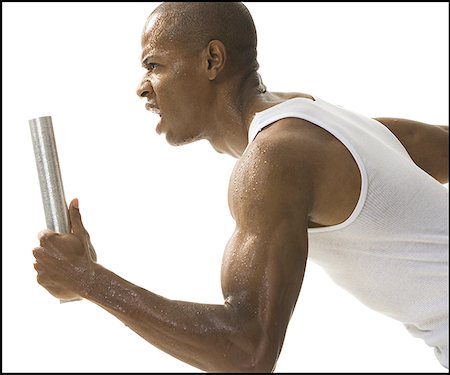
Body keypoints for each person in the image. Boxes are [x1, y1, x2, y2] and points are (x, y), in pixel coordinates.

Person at [32, 2, 449, 372]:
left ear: (212, 59)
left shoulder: (274, 159)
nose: (141, 86)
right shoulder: (309, 117)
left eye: (153, 65)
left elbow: (246, 352)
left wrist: (88, 280)